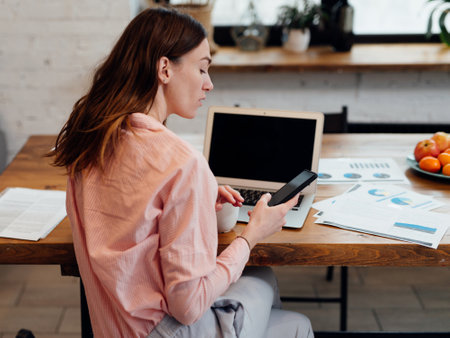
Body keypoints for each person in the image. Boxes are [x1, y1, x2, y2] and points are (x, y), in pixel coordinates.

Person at [49, 7, 314, 338]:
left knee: (277, 304)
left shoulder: (90, 144)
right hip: (166, 332)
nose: (209, 84)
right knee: (266, 280)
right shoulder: (182, 163)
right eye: (202, 69)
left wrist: (194, 196)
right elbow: (187, 307)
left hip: (113, 326)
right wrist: (252, 236)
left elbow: (131, 210)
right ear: (164, 69)